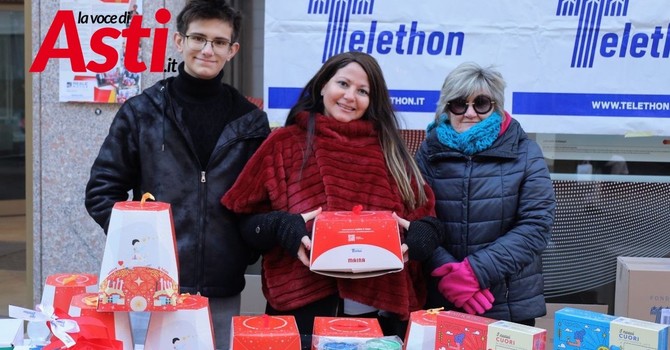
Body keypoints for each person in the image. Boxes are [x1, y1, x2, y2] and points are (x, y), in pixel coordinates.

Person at [84, 0, 271, 348]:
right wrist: (138, 250)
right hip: (149, 288)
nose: (207, 50)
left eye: (218, 42)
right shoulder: (142, 112)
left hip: (222, 285)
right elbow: (101, 191)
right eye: (198, 38)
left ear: (232, 50)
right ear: (179, 42)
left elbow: (261, 200)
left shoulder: (250, 121)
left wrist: (242, 251)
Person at [221, 51, 437, 339]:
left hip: (376, 318)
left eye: (363, 91)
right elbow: (244, 220)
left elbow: (429, 222)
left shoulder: (391, 151)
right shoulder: (283, 144)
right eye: (343, 84)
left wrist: (421, 237)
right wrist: (280, 226)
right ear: (323, 85)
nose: (350, 96)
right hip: (299, 313)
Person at [413, 62, 556, 325]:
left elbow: (536, 226)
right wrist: (447, 272)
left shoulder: (525, 152)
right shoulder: (428, 152)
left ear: (496, 107)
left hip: (506, 303)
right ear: (446, 107)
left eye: (481, 103)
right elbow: (417, 219)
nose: (469, 113)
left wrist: (474, 273)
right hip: (442, 298)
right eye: (459, 103)